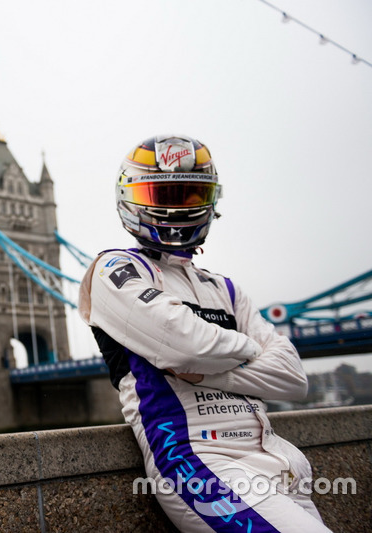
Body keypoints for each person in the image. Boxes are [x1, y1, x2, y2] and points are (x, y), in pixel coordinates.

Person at [78, 135, 330, 532]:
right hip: (201, 463)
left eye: (191, 195)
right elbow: (188, 345)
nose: (175, 208)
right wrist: (249, 350)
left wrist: (205, 369)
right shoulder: (113, 270)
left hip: (282, 461)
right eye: (160, 193)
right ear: (129, 197)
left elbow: (293, 377)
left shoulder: (226, 288)